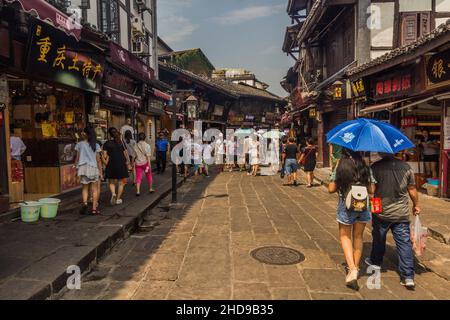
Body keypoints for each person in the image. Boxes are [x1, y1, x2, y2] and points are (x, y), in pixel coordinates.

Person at [366, 153, 421, 290]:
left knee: (379, 238)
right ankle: (408, 276)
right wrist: (416, 204)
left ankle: (376, 262)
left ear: (382, 152)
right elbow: (412, 189)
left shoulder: (375, 167)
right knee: (404, 244)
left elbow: (372, 191)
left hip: (381, 213)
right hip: (401, 213)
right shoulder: (406, 167)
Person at [328, 148, 375, 290]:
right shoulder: (365, 166)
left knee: (345, 236)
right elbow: (372, 190)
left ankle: (352, 269)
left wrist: (335, 173)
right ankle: (355, 268)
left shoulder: (341, 165)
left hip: (346, 205)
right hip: (362, 205)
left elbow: (331, 188)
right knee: (358, 236)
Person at [75, 126, 103, 215]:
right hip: (93, 168)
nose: (82, 134)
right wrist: (100, 172)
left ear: (85, 134)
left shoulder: (80, 144)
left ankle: (85, 203)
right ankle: (94, 209)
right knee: (95, 189)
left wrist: (76, 169)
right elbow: (98, 160)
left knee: (84, 188)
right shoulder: (96, 145)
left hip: (83, 168)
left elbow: (77, 159)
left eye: (83, 132)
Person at [102, 127, 131, 205]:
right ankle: (118, 199)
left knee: (111, 181)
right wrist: (128, 163)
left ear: (109, 134)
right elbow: (126, 153)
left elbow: (104, 156)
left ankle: (113, 194)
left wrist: (102, 155)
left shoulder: (106, 143)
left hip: (111, 164)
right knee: (121, 182)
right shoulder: (121, 142)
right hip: (121, 164)